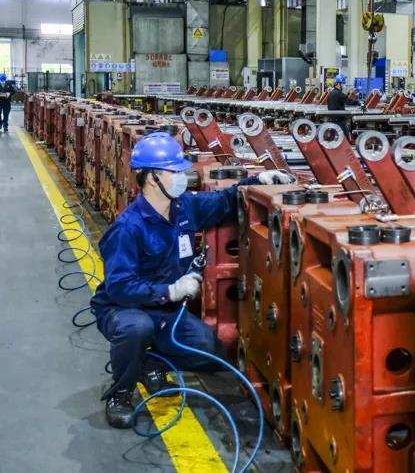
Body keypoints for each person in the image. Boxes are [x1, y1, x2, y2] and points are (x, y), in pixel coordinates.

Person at [92, 132, 294, 428]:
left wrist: (258, 181)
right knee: (137, 329)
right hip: (124, 308)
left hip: (165, 310)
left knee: (210, 352)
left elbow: (223, 201)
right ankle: (120, 393)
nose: (181, 177)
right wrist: (171, 291)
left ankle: (149, 363)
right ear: (152, 178)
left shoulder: (184, 207)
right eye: (174, 171)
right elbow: (120, 287)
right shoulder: (128, 228)